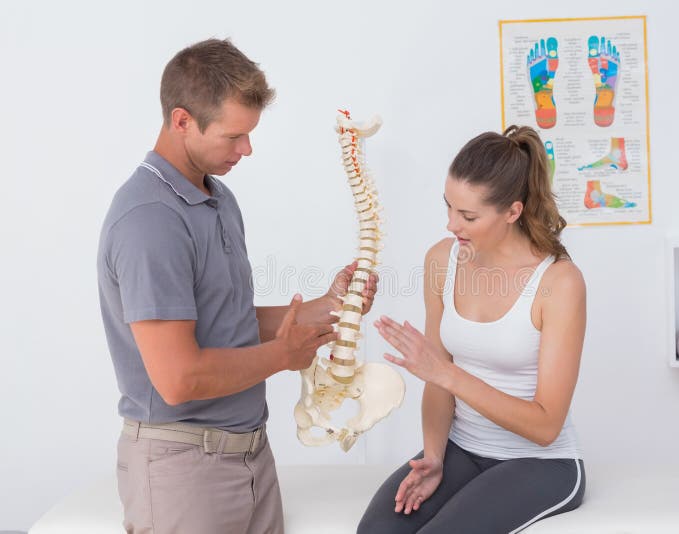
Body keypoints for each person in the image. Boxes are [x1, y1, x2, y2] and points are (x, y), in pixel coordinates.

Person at [97, 38, 377, 534]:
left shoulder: (217, 198)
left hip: (250, 460)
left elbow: (227, 324)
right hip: (184, 470)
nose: (246, 150)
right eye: (233, 136)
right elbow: (178, 378)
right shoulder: (150, 220)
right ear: (182, 121)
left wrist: (326, 307)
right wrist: (282, 356)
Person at [358, 125, 586, 533]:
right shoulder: (442, 261)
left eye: (467, 216)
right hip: (462, 450)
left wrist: (445, 373)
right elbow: (438, 381)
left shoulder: (558, 283)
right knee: (377, 531)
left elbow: (546, 425)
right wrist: (434, 455)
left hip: (540, 463)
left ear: (512, 212)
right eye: (448, 207)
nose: (451, 225)